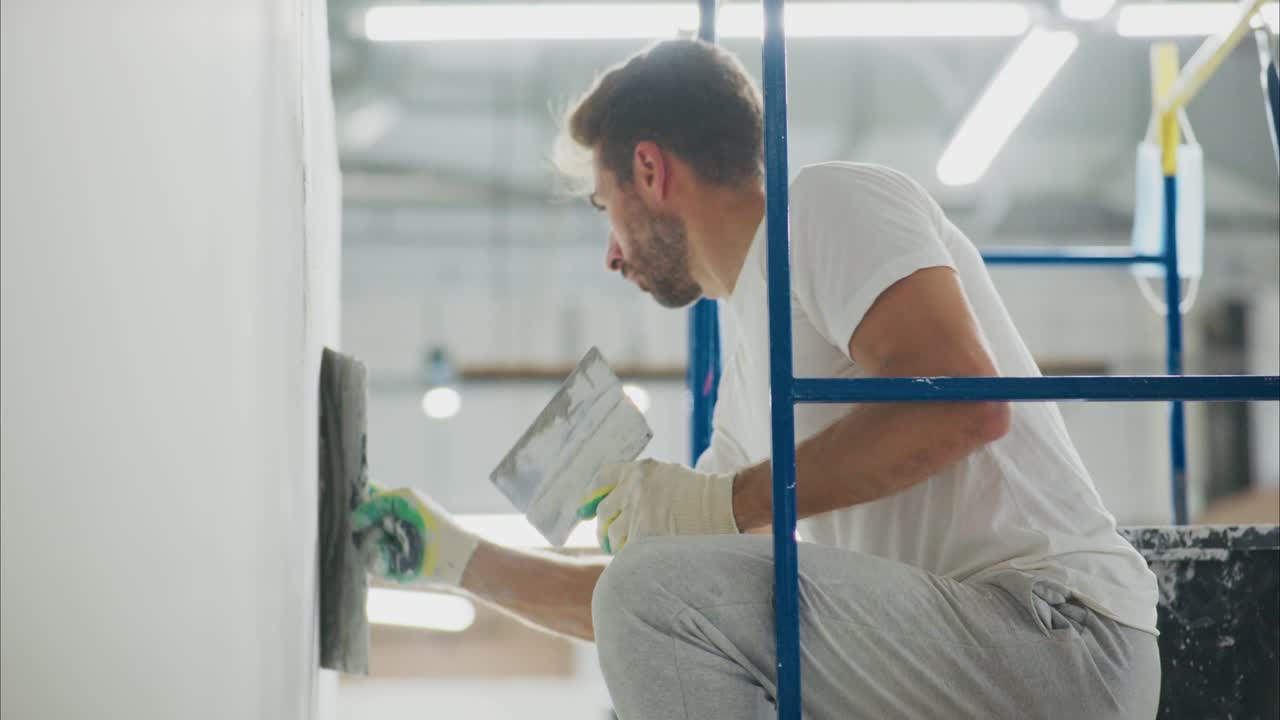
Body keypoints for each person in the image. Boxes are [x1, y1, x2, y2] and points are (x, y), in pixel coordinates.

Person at [353, 39, 1161, 719]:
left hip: (1058, 636)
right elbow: (651, 616)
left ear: (649, 169)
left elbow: (969, 406)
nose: (610, 253)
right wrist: (457, 559)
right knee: (652, 600)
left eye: (605, 208)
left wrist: (722, 503)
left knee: (654, 592)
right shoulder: (748, 377)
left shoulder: (826, 205)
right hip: (967, 643)